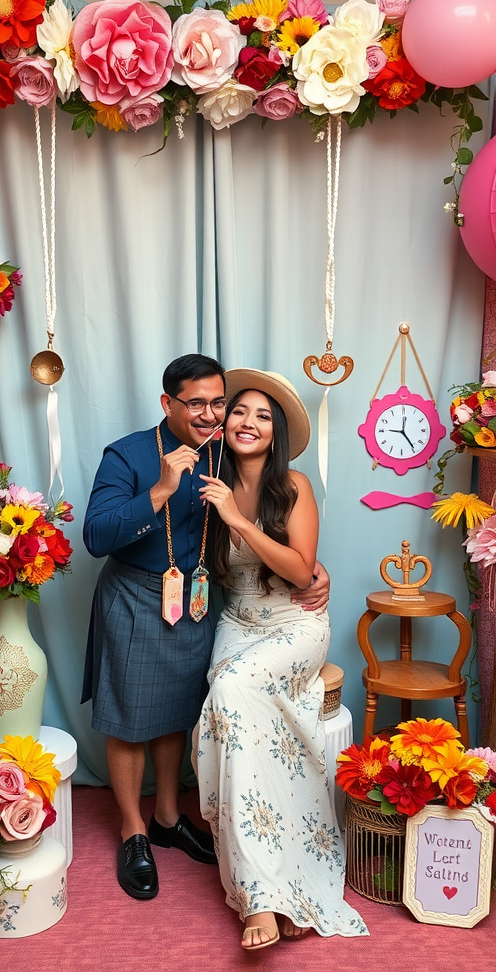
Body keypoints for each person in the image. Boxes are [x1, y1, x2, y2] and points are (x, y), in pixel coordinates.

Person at [82, 354, 330, 901]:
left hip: (195, 598)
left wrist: (315, 570)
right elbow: (95, 537)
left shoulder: (225, 450)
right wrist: (160, 489)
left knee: (177, 708)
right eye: (196, 403)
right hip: (135, 593)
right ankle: (133, 830)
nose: (210, 414)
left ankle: (169, 817)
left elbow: (273, 513)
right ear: (167, 403)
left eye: (218, 402)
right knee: (128, 717)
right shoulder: (127, 454)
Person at [194, 369, 368, 949]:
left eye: (263, 416)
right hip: (236, 624)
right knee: (233, 703)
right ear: (224, 423)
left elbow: (299, 569)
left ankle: (262, 900)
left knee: (231, 691)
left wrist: (238, 521)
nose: (248, 422)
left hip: (295, 623)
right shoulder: (209, 479)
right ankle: (272, 885)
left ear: (277, 433)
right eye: (239, 412)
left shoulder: (292, 485)